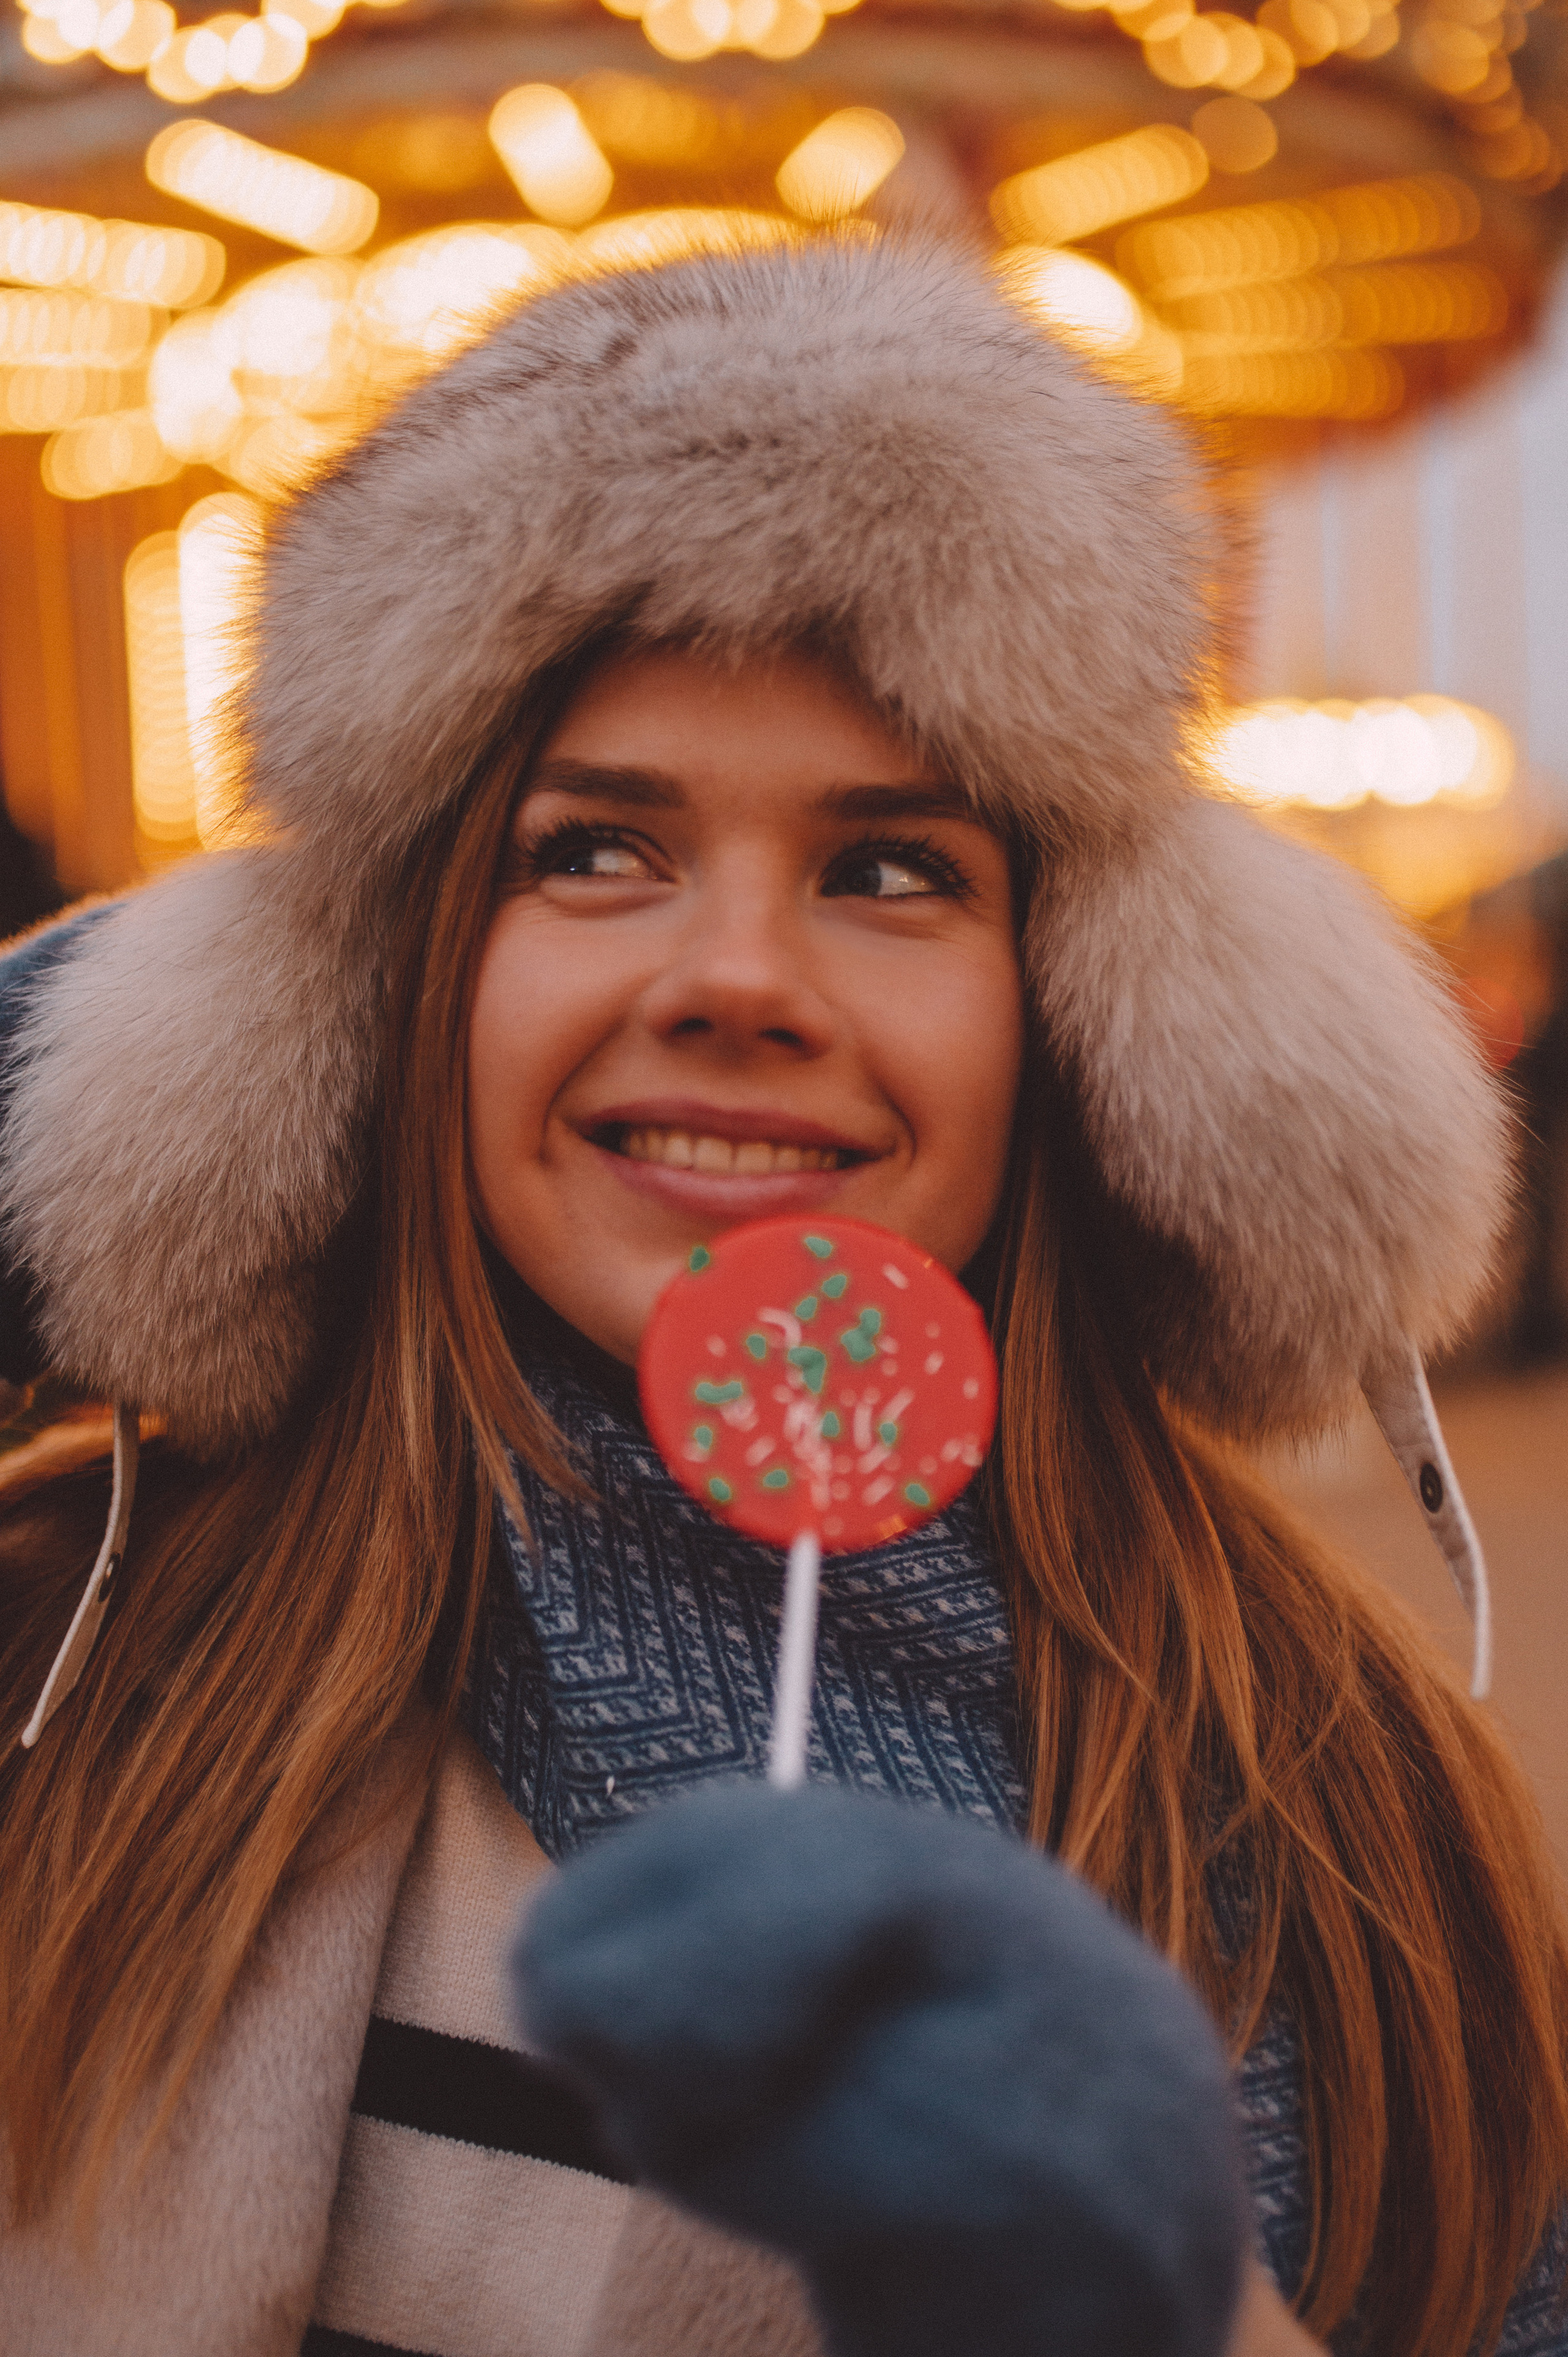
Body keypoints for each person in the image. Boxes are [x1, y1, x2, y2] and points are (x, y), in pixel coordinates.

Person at [0, 232, 1564, 2357]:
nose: (738, 979)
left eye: (889, 869)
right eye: (592, 848)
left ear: (1092, 1023)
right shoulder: (69, 1658)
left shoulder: (1353, 1800)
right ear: (378, 994)